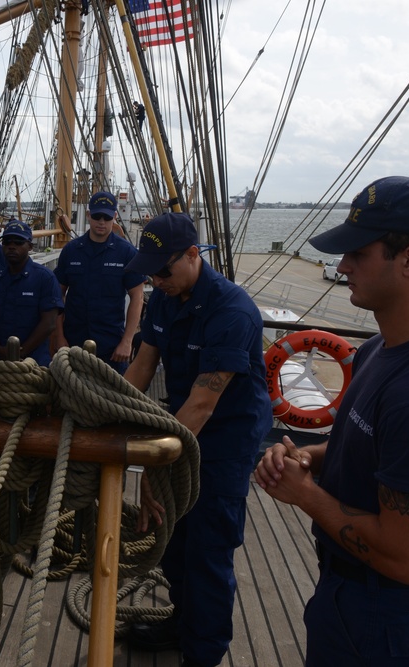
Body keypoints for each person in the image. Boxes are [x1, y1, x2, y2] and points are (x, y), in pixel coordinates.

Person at [254, 176, 409, 667]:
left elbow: (407, 559)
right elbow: (373, 451)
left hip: (395, 623)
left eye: (358, 253)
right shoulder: (379, 350)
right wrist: (310, 455)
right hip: (347, 596)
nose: (342, 265)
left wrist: (303, 492)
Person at [122, 212, 269, 667]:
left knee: (208, 549)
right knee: (176, 540)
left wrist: (156, 466)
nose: (156, 280)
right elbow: (143, 366)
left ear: (193, 255)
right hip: (183, 425)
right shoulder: (165, 298)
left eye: (163, 270)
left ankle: (203, 654)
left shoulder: (233, 312)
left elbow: (205, 404)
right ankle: (180, 623)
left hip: (225, 440)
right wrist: (109, 412)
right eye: (149, 272)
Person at [53, 190, 143, 373]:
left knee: (112, 399)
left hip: (111, 346)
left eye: (107, 217)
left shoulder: (126, 253)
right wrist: (59, 338)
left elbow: (137, 297)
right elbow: (57, 296)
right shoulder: (71, 251)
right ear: (88, 215)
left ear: (115, 217)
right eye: (97, 216)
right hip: (73, 341)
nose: (102, 221)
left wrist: (127, 342)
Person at [0, 219, 62, 365]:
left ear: (30, 246)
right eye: (7, 242)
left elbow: (49, 323)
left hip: (34, 362)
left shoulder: (45, 278)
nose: (12, 247)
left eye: (18, 242)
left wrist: (20, 352)